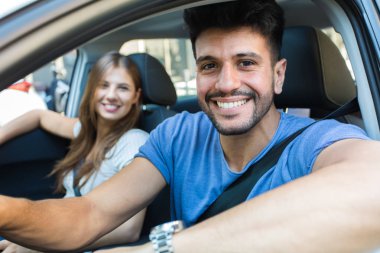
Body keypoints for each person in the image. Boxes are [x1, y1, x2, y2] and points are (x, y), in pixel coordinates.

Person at [1, 1, 380, 252]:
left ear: (278, 76)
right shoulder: (177, 134)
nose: (227, 83)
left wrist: (163, 248)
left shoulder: (317, 141)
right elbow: (89, 215)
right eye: (209, 65)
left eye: (246, 63)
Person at [0, 52, 148, 252]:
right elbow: (38, 116)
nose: (111, 95)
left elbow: (129, 230)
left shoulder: (134, 142)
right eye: (104, 85)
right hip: (60, 230)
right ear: (92, 90)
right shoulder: (84, 131)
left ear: (136, 97)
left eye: (122, 88)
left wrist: (40, 245)